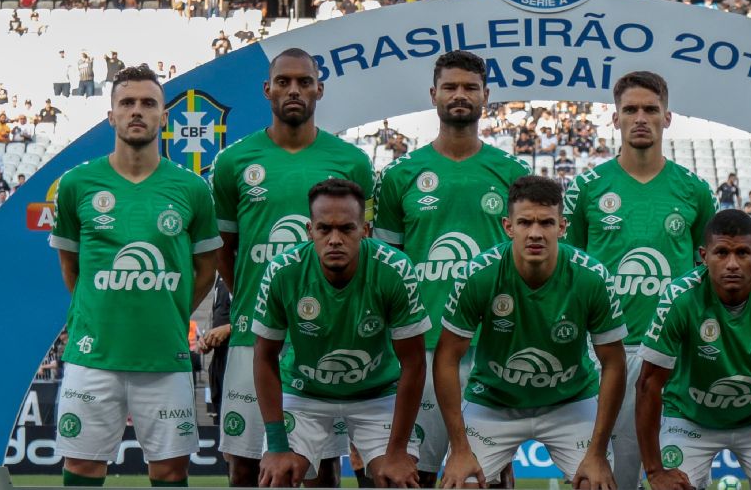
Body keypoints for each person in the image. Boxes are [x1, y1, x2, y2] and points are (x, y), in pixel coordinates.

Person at [48, 64, 220, 487]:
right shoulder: (76, 184)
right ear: (111, 116)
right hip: (94, 355)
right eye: (127, 103)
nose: (137, 111)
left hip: (164, 356)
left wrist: (172, 312)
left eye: (148, 103)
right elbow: (72, 268)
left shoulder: (192, 188)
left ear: (164, 116)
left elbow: (207, 269)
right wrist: (102, 311)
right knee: (83, 466)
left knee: (169, 470)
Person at [211, 47, 375, 487]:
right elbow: (225, 249)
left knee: (320, 467)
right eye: (283, 81)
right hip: (252, 333)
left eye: (304, 81)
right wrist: (252, 295)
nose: (294, 89)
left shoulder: (353, 161)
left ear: (320, 89)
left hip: (323, 335)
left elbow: (363, 246)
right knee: (245, 463)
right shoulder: (233, 162)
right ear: (267, 90)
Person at [371, 50, 531, 488]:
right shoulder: (400, 175)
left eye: (470, 88)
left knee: (486, 476)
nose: (460, 95)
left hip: (492, 350)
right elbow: (384, 270)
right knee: (413, 474)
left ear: (486, 97)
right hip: (420, 348)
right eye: (451, 87)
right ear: (433, 94)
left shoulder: (513, 172)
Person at [562, 70, 716, 490]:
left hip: (675, 355)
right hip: (605, 353)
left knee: (679, 478)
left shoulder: (695, 191)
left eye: (651, 109)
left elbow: (710, 275)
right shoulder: (586, 189)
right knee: (608, 478)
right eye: (630, 110)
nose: (641, 117)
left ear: (668, 117)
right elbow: (570, 272)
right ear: (615, 119)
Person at [436, 176, 626, 488]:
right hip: (493, 401)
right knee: (462, 481)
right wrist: (458, 448)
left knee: (596, 482)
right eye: (524, 222)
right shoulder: (479, 274)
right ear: (508, 226)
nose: (535, 233)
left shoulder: (592, 278)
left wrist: (597, 450)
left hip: (571, 401)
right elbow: (446, 357)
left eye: (546, 223)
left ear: (562, 227)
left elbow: (614, 363)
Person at [252, 178, 427, 488]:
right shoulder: (282, 272)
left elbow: (413, 362)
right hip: (304, 391)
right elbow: (265, 357)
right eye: (324, 229)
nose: (334, 239)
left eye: (346, 229)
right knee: (277, 474)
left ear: (365, 230)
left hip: (377, 392)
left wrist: (397, 450)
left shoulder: (395, 269)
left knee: (398, 478)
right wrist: (277, 445)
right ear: (310, 231)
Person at [636, 209, 751, 490]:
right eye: (721, 253)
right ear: (703, 256)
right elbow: (648, 383)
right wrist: (654, 472)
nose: (732, 264)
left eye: (743, 253)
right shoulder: (679, 297)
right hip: (689, 418)